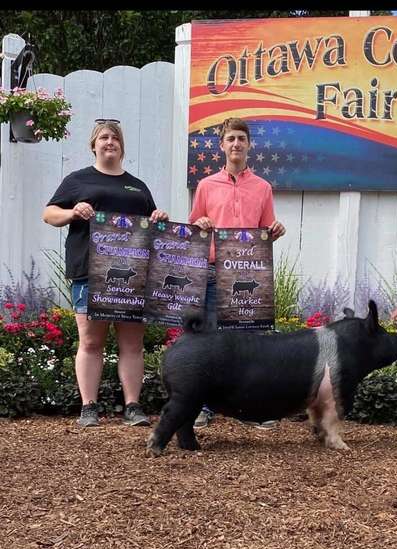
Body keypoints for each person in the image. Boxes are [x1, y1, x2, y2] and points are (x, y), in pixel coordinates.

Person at [43, 119, 169, 428]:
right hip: (89, 272)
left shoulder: (138, 186)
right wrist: (73, 212)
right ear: (94, 145)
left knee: (132, 344)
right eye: (103, 137)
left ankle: (133, 406)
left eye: (115, 138)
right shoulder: (77, 180)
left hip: (133, 275)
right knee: (90, 342)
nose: (109, 142)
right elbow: (49, 214)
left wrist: (158, 218)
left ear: (121, 146)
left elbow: (152, 230)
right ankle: (89, 406)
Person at [189, 117, 286, 428]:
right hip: (214, 272)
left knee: (251, 343)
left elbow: (265, 230)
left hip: (248, 273)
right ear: (221, 145)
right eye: (230, 138)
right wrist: (200, 223)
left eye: (241, 139)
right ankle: (205, 406)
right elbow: (193, 227)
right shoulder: (206, 185)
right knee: (210, 341)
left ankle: (251, 408)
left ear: (249, 145)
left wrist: (275, 230)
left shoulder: (263, 188)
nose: (236, 144)